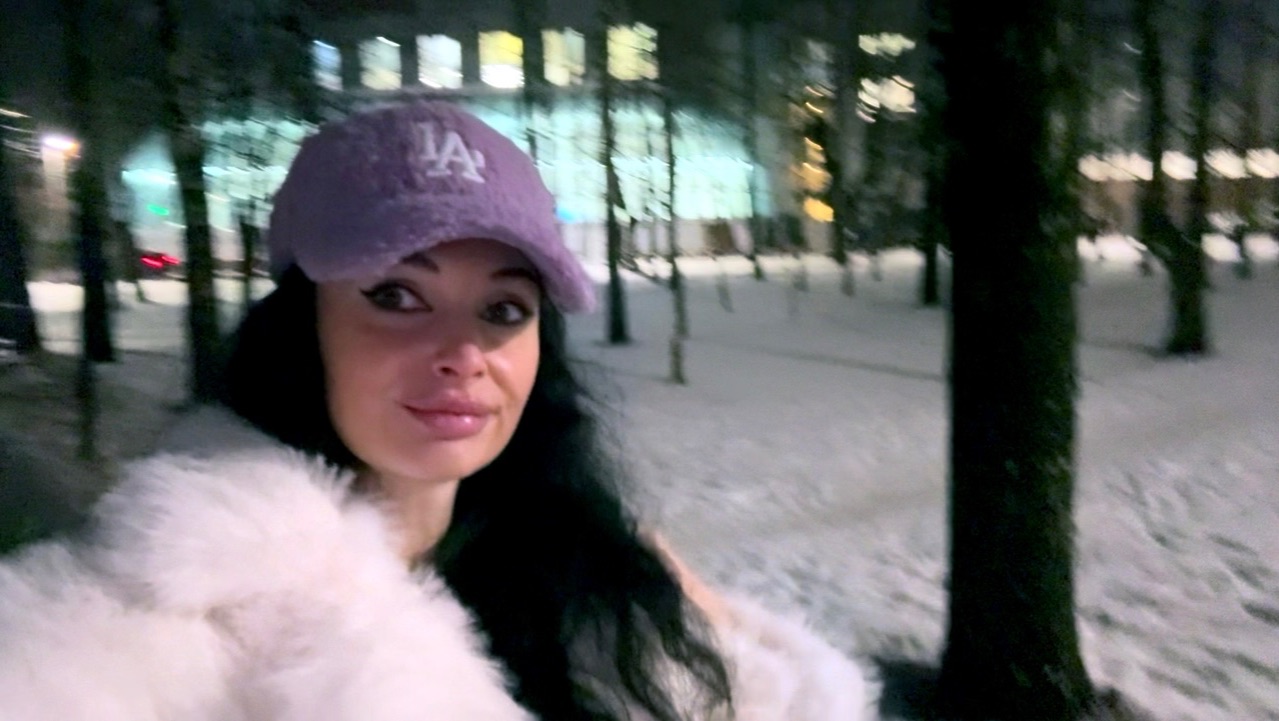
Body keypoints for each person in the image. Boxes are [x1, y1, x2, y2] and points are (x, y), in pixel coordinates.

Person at [0, 102, 873, 720]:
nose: (464, 351)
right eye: (396, 296)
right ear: (304, 329)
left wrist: (716, 629)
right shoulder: (137, 623)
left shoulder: (593, 571)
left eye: (503, 308)